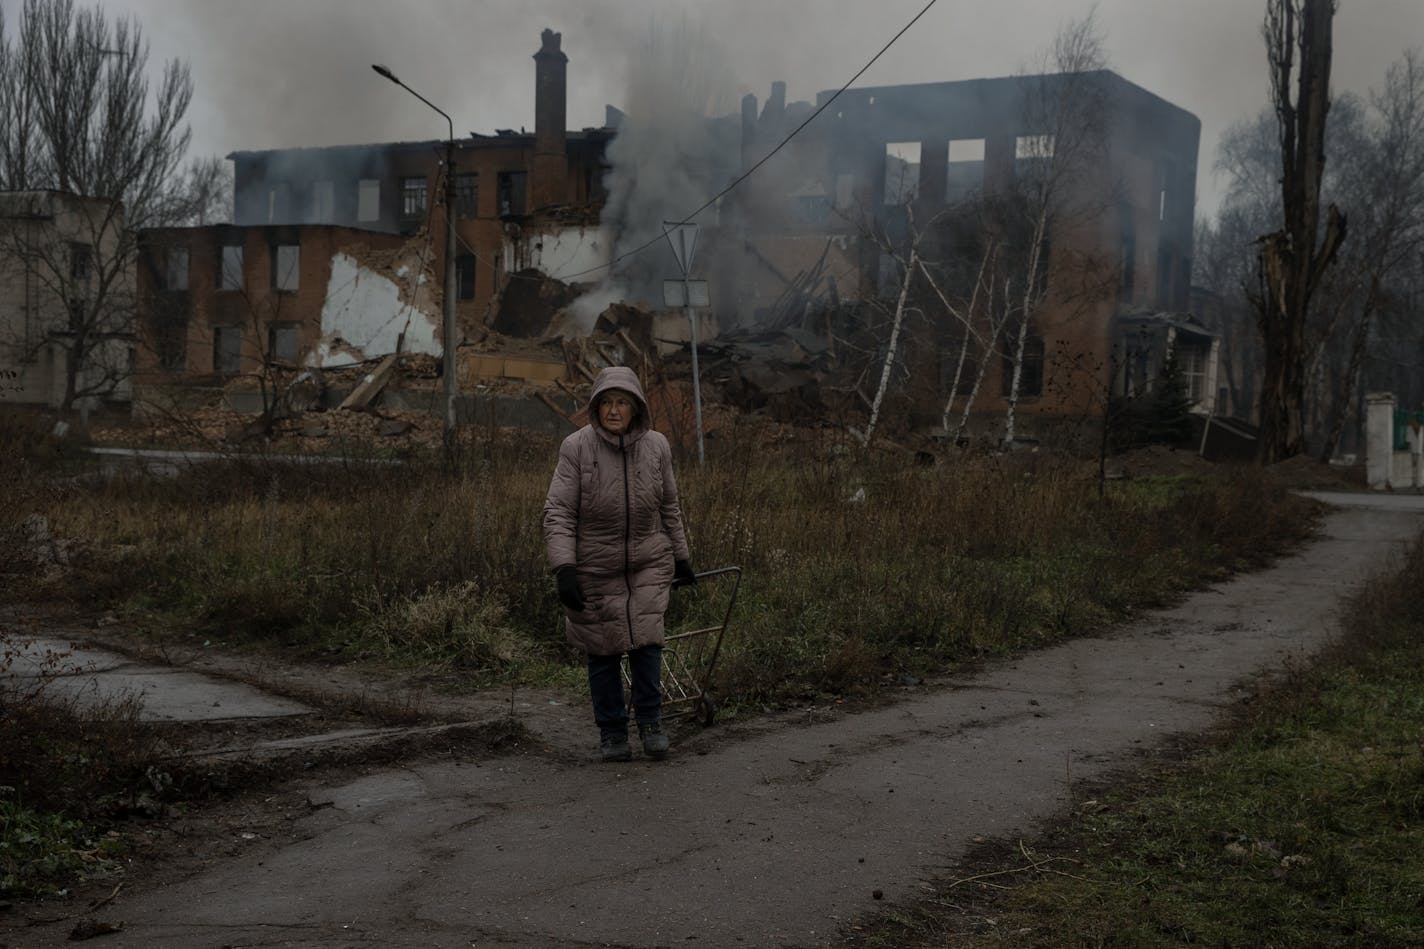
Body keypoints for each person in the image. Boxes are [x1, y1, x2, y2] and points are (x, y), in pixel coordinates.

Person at [543, 365, 696, 762]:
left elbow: (669, 505)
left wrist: (681, 556)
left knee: (648, 646)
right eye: (607, 403)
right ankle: (612, 732)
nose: (614, 410)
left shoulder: (658, 446)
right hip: (594, 565)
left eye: (622, 403)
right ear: (596, 408)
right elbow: (558, 511)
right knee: (603, 651)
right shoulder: (576, 447)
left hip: (647, 561)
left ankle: (651, 722)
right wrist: (565, 569)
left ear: (636, 408)